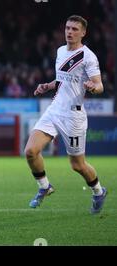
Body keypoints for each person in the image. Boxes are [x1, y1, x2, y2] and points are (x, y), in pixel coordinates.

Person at [25, 15, 107, 214]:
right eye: (67, 28)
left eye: (74, 29)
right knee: (30, 151)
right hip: (54, 110)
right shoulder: (61, 51)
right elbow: (62, 79)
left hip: (73, 116)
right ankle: (44, 187)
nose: (69, 32)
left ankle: (98, 191)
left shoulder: (88, 56)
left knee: (77, 165)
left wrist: (93, 87)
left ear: (83, 33)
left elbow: (100, 86)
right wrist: (48, 85)